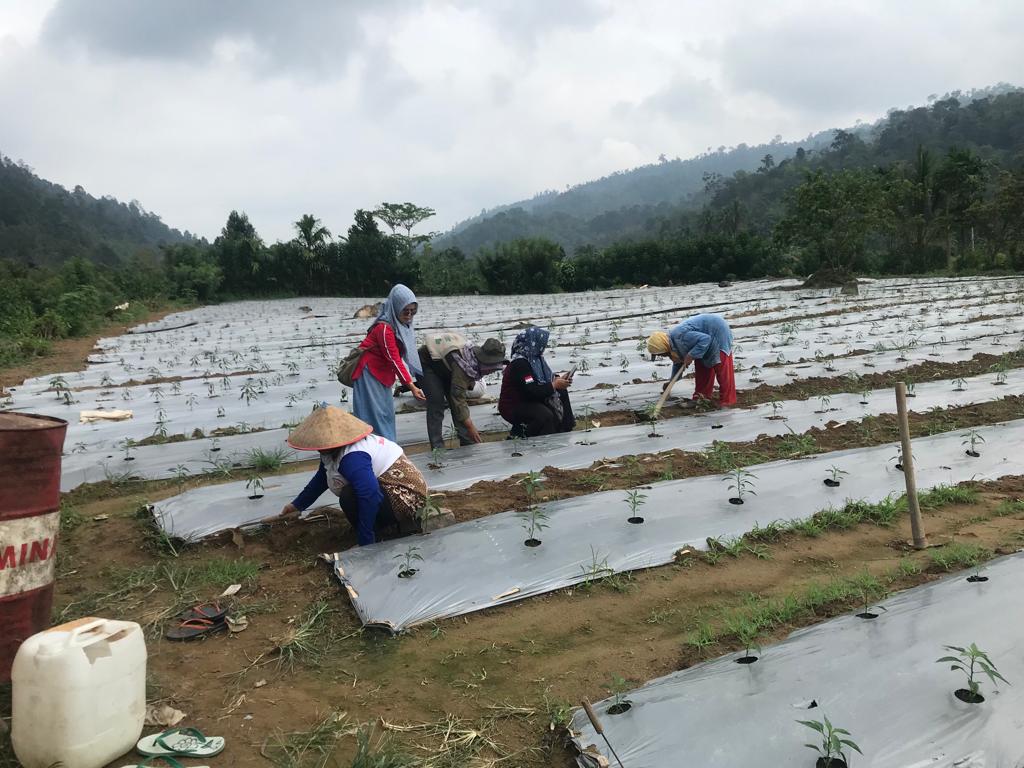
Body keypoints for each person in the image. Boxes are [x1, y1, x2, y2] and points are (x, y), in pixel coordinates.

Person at [278, 406, 427, 546]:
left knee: (349, 496)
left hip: (407, 495)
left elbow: (370, 494)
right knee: (354, 494)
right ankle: (373, 528)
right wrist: (297, 505)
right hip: (387, 489)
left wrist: (366, 538)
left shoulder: (352, 457)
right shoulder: (332, 451)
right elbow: (322, 478)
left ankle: (378, 533)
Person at [351, 284, 425, 441]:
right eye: (406, 311)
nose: (409, 315)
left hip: (382, 374)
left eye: (413, 311)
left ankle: (386, 448)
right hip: (369, 374)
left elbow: (405, 354)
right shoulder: (384, 329)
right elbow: (393, 359)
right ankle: (376, 450)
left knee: (385, 413)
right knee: (373, 414)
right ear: (396, 308)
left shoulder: (402, 325)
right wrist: (411, 385)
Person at [418, 331, 507, 449]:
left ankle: (467, 442)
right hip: (427, 363)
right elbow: (458, 397)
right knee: (437, 403)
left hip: (446, 366)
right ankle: (437, 448)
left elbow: (459, 397)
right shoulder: (464, 366)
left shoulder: (471, 362)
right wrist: (470, 426)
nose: (492, 370)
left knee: (457, 406)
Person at [498, 326, 574, 437]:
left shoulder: (535, 360)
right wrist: (554, 385)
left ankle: (564, 429)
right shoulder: (520, 364)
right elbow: (532, 389)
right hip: (515, 404)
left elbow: (543, 379)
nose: (543, 347)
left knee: (561, 392)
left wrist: (558, 380)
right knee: (544, 414)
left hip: (529, 399)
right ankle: (522, 435)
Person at [647, 313, 736, 406]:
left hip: (717, 331)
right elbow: (679, 364)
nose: (663, 356)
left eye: (662, 354)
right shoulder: (673, 346)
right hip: (705, 337)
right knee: (702, 368)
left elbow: (705, 339)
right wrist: (671, 382)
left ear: (664, 347)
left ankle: (728, 401)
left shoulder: (680, 336)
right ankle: (702, 397)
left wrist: (690, 355)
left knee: (722, 370)